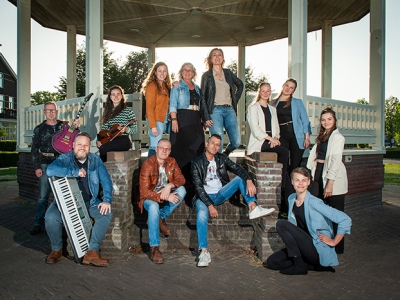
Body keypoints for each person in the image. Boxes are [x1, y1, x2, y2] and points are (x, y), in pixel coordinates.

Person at [191, 134, 275, 267]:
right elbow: (198, 188)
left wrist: (248, 180)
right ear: (206, 144)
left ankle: (253, 207)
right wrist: (210, 206)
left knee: (240, 179)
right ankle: (204, 252)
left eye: (218, 144)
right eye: (213, 143)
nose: (215, 146)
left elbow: (238, 169)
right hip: (202, 197)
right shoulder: (196, 163)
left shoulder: (222, 158)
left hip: (219, 194)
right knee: (202, 214)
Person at [264, 167, 351, 275]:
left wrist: (334, 241)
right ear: (292, 182)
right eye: (297, 180)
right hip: (303, 246)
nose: (300, 183)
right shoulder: (291, 198)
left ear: (308, 182)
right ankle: (310, 265)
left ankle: (300, 265)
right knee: (272, 262)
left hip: (316, 248)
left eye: (304, 180)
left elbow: (345, 219)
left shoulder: (315, 203)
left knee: (281, 224)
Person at [45, 132, 113, 267]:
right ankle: (57, 249)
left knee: (106, 213)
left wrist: (107, 200)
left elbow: (106, 182)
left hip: (90, 202)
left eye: (86, 145)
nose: (82, 147)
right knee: (51, 217)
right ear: (73, 145)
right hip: (65, 201)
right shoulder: (64, 159)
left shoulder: (95, 160)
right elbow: (50, 171)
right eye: (79, 144)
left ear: (90, 147)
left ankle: (92, 252)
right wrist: (74, 172)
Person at [30, 101, 79, 235]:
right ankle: (38, 223)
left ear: (56, 112)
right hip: (45, 163)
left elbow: (74, 137)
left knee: (63, 194)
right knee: (42, 196)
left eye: (53, 110)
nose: (51, 112)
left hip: (61, 162)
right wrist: (36, 166)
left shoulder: (64, 126)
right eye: (48, 110)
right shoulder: (39, 129)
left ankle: (64, 223)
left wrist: (76, 127)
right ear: (44, 112)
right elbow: (34, 149)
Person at [306, 106, 348, 254]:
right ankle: (323, 241)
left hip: (333, 178)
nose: (326, 122)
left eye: (329, 119)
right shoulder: (322, 136)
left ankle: (338, 247)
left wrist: (330, 183)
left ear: (335, 120)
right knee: (319, 211)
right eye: (323, 120)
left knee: (336, 214)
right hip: (318, 175)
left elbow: (336, 161)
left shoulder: (338, 137)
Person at [138, 139, 186, 264]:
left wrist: (169, 185)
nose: (164, 150)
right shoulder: (148, 164)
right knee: (153, 207)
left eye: (167, 149)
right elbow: (143, 191)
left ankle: (161, 217)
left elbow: (181, 179)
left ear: (170, 151)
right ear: (156, 149)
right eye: (162, 148)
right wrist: (163, 197)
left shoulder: (172, 162)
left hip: (165, 192)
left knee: (182, 191)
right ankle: (155, 248)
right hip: (149, 197)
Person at [247, 82, 290, 193]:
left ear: (270, 92)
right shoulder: (253, 108)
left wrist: (275, 139)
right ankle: (283, 185)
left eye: (268, 91)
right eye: (263, 91)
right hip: (259, 142)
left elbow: (276, 129)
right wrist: (270, 139)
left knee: (284, 152)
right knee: (284, 152)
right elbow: (255, 130)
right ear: (259, 92)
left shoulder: (272, 109)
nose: (266, 93)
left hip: (271, 141)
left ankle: (282, 182)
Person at [200, 48, 244, 156]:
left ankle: (225, 155)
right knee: (217, 141)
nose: (217, 57)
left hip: (229, 110)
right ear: (210, 59)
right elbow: (203, 97)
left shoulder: (228, 73)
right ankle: (217, 167)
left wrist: (235, 100)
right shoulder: (207, 76)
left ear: (223, 58)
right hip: (214, 111)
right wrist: (206, 117)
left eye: (219, 55)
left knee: (236, 141)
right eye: (214, 55)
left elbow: (240, 85)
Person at [169, 62, 204, 182]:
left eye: (190, 70)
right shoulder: (177, 87)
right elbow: (172, 105)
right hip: (182, 118)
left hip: (195, 119)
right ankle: (179, 182)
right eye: (185, 70)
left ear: (193, 73)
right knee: (181, 151)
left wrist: (202, 122)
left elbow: (201, 106)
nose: (187, 72)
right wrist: (174, 120)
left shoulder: (198, 88)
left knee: (197, 148)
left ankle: (193, 183)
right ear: (181, 72)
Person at [271, 78, 311, 173]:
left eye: (291, 88)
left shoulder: (298, 102)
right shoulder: (272, 103)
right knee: (282, 164)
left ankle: (294, 187)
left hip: (296, 135)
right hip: (281, 135)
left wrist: (307, 138)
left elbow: (305, 120)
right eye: (287, 85)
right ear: (283, 85)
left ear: (293, 90)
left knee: (295, 166)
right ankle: (284, 187)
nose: (288, 89)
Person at [96, 85, 137, 162]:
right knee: (103, 147)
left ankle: (103, 168)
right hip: (110, 139)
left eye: (118, 94)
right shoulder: (108, 112)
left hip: (123, 140)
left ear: (121, 96)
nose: (116, 96)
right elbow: (103, 130)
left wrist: (126, 129)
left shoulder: (128, 111)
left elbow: (135, 129)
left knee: (104, 148)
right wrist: (99, 141)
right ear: (110, 97)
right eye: (113, 94)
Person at [141, 62, 172, 157]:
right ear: (155, 72)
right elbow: (149, 108)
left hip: (164, 120)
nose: (162, 74)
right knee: (154, 146)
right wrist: (153, 126)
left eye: (164, 71)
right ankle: (150, 170)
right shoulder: (152, 86)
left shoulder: (164, 86)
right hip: (155, 120)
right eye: (159, 71)